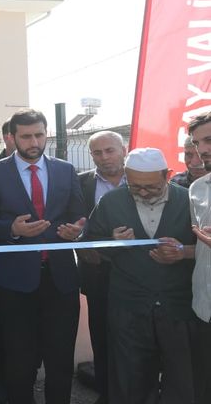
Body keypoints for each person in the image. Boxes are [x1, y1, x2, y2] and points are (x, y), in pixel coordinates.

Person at [0, 109, 85, 404]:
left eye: (39, 134)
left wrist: (77, 229)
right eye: (26, 136)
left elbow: (79, 214)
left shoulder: (65, 170)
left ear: (46, 133)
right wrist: (11, 229)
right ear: (12, 138)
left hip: (61, 280)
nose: (34, 141)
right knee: (19, 360)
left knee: (61, 358)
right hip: (15, 283)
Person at [84, 147, 196, 404]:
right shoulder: (111, 202)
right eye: (136, 188)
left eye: (152, 187)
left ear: (167, 175)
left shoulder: (190, 200)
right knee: (130, 379)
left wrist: (185, 252)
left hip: (178, 307)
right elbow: (89, 246)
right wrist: (111, 242)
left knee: (181, 378)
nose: (144, 193)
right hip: (129, 308)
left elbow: (206, 249)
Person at [76, 130, 126, 404]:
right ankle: (106, 394)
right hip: (97, 275)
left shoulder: (145, 179)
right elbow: (74, 227)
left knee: (138, 338)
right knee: (103, 338)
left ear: (124, 149)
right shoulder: (79, 183)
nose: (104, 157)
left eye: (110, 150)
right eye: (97, 152)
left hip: (142, 276)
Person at [187, 112, 211, 404]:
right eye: (197, 142)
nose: (202, 149)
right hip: (204, 309)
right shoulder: (197, 188)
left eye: (209, 140)